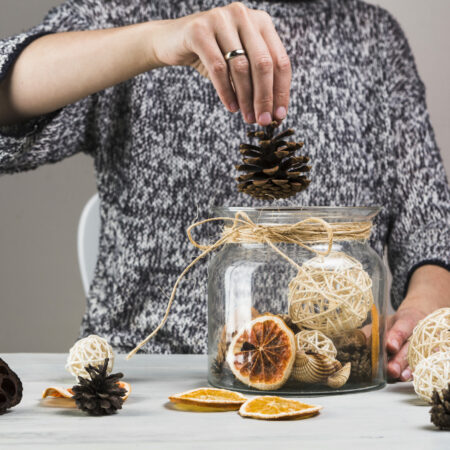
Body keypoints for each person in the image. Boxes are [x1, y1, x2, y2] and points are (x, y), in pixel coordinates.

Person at [0, 0, 448, 381]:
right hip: (153, 384)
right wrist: (152, 42)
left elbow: (428, 218)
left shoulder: (374, 38)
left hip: (332, 376)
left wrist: (426, 301)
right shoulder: (132, 10)